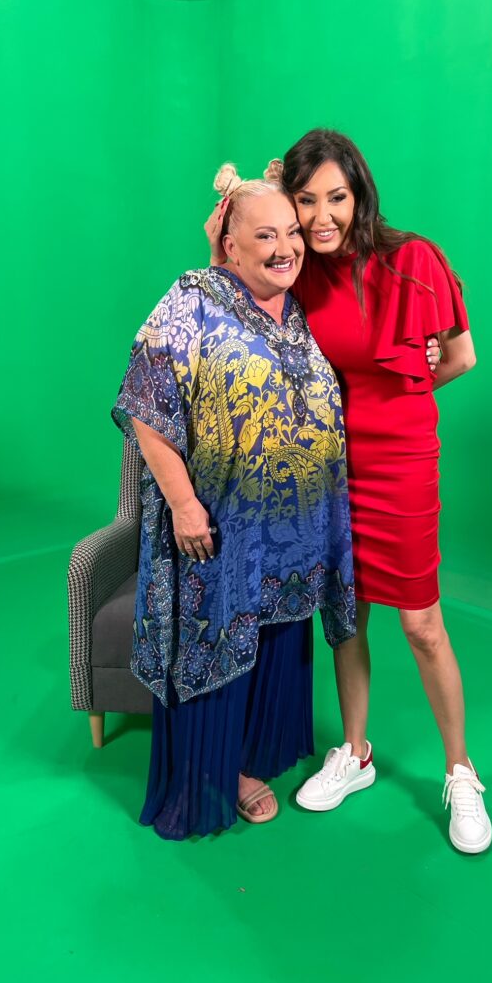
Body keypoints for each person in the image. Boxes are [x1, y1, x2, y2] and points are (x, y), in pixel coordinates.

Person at [205, 130, 492, 853]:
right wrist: (224, 231)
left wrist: (411, 384)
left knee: (421, 624)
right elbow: (236, 302)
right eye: (307, 201)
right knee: (346, 613)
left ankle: (461, 771)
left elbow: (461, 357)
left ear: (360, 193)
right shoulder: (301, 271)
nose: (323, 215)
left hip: (402, 463)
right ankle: (355, 754)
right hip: (328, 465)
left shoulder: (414, 259)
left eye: (336, 197)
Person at [112, 163, 356, 840]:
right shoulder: (192, 298)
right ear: (229, 244)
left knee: (277, 640)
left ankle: (254, 757)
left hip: (294, 536)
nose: (286, 247)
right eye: (266, 235)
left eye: (292, 233)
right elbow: (146, 407)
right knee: (216, 641)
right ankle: (214, 777)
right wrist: (185, 505)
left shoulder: (299, 308)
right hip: (219, 531)